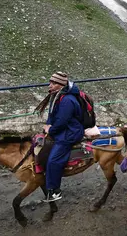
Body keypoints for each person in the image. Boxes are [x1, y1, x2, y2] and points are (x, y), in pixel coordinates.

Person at [43, 71, 84, 202]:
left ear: (60, 85)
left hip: (70, 132)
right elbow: (52, 115)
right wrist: (48, 125)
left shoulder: (67, 100)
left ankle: (55, 191)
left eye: (53, 83)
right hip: (63, 128)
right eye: (50, 82)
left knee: (53, 160)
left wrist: (51, 130)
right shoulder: (57, 96)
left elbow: (62, 121)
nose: (50, 85)